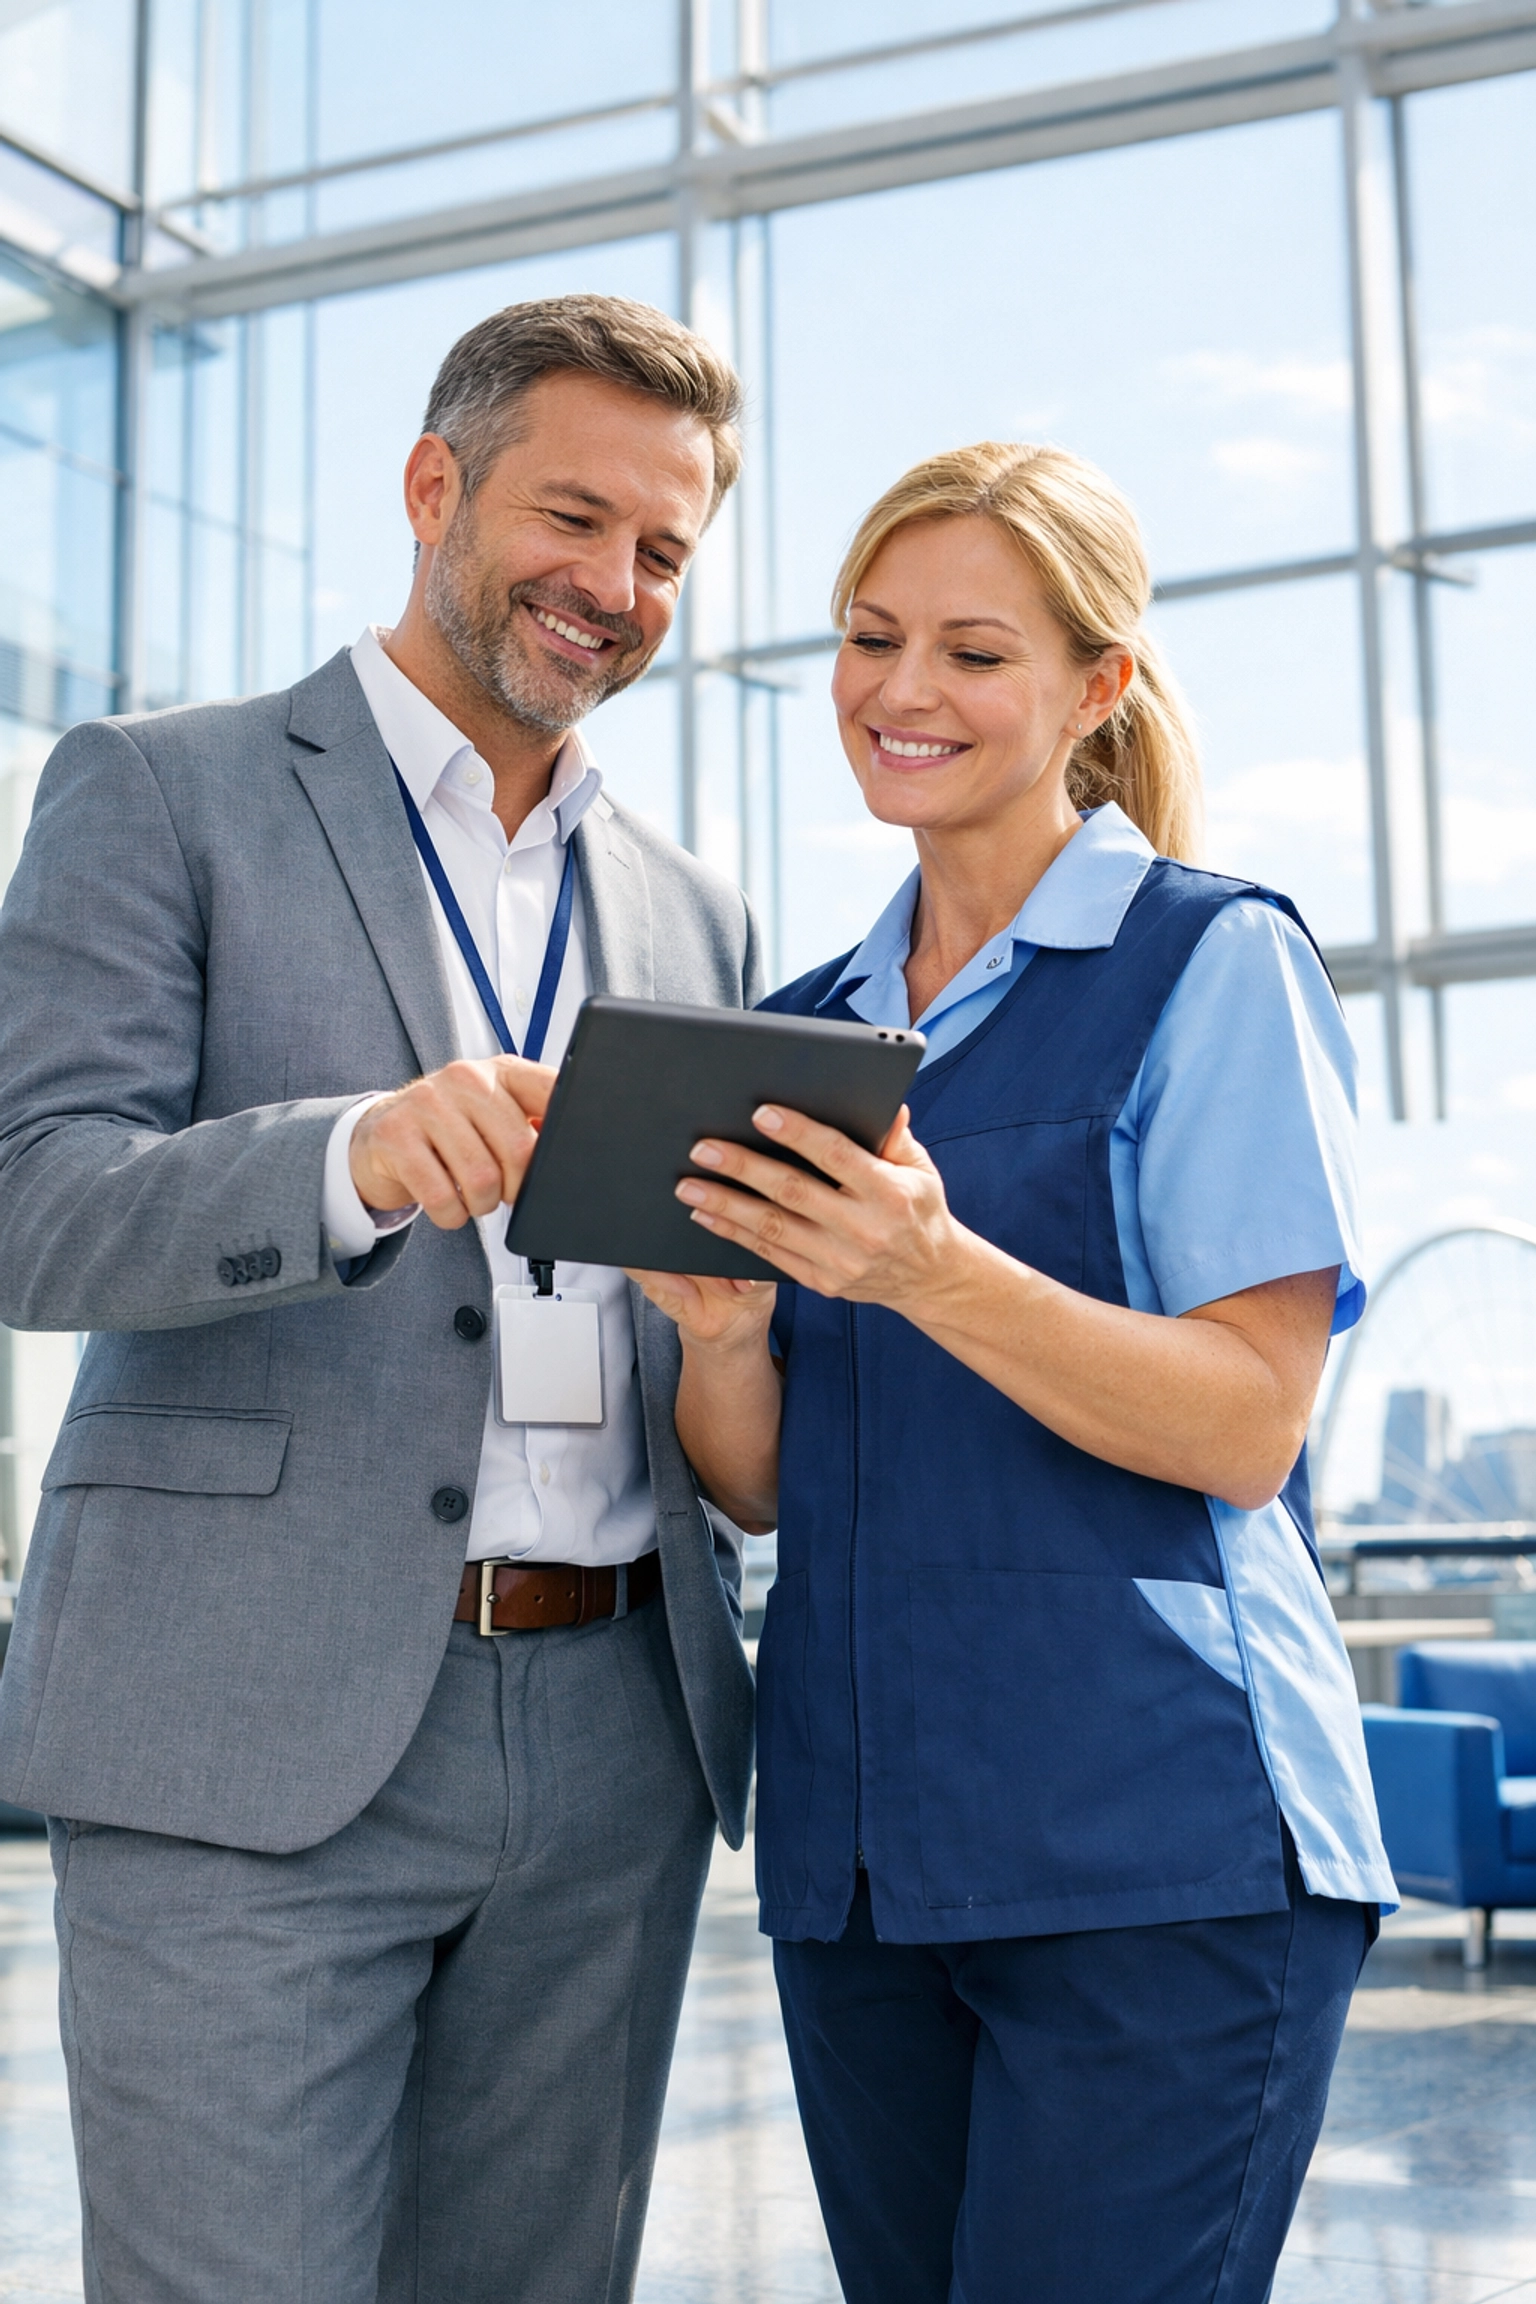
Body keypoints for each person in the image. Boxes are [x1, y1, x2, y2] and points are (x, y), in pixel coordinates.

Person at [0, 294, 759, 2304]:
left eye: (664, 552)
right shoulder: (164, 789)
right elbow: (28, 1207)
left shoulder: (696, 910)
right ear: (435, 487)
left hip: (615, 1732)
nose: (613, 586)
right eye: (572, 517)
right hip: (241, 1720)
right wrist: (344, 1160)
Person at [633, 442, 1397, 2304]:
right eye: (871, 638)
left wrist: (936, 1267)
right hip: (867, 1862)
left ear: (1094, 689)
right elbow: (767, 1484)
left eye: (974, 651)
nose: (905, 692)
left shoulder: (1212, 964)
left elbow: (1245, 1422)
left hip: (1162, 1848)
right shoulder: (801, 1032)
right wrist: (725, 1338)